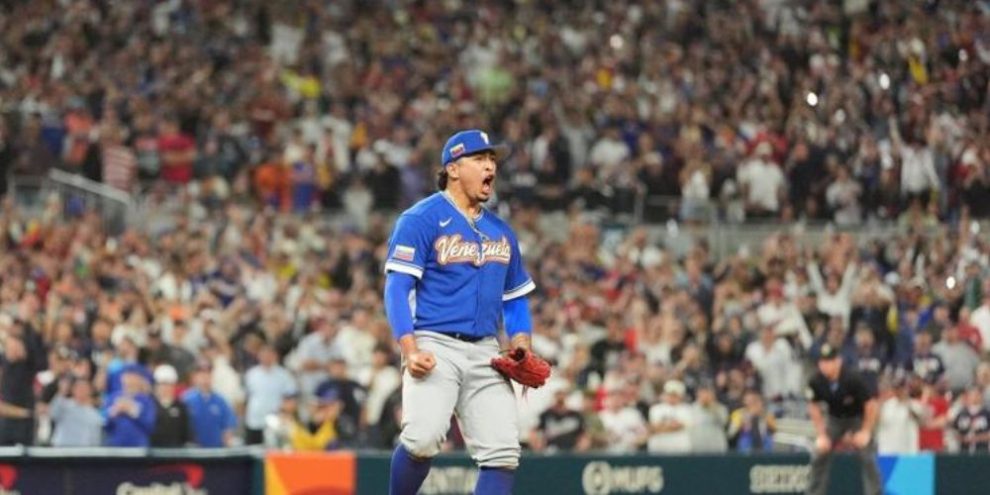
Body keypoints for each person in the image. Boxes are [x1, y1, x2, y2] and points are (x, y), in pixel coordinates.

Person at [384, 130, 536, 495]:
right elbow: (397, 288)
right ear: (453, 168)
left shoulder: (501, 231)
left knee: (503, 453)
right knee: (422, 440)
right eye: (480, 159)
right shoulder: (420, 218)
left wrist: (520, 341)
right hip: (435, 344)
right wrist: (409, 348)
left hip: (486, 350)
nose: (490, 167)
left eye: (493, 160)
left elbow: (514, 298)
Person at [805, 344, 880, 495]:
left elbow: (871, 405)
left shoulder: (852, 378)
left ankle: (875, 492)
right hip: (835, 419)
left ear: (838, 361)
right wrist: (821, 434)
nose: (825, 366)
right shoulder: (816, 380)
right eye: (822, 362)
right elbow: (813, 407)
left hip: (856, 418)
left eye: (829, 361)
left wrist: (865, 431)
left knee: (867, 454)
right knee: (819, 453)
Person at [244, 344, 297, 444]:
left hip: (275, 422)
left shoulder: (284, 375)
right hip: (254, 421)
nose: (266, 357)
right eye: (263, 354)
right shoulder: (251, 374)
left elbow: (290, 399)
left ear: (275, 356)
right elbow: (246, 397)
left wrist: (284, 415)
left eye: (269, 354)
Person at [183, 361, 238, 447]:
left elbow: (228, 426)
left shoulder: (220, 401)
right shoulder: (186, 399)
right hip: (194, 452)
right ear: (195, 377)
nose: (205, 377)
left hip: (216, 451)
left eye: (208, 374)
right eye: (201, 374)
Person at [104, 366, 157, 447]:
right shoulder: (113, 398)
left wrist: (132, 410)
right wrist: (115, 411)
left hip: (139, 448)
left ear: (139, 379)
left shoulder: (146, 401)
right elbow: (106, 426)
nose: (129, 379)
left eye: (133, 376)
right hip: (116, 447)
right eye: (127, 376)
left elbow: (150, 426)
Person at [150, 364, 193, 447]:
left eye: (168, 384)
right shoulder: (150, 405)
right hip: (154, 455)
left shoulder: (181, 407)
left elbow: (187, 432)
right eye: (162, 384)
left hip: (176, 454)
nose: (165, 388)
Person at [952, 386, 990, 454]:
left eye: (977, 395)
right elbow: (955, 432)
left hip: (982, 451)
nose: (974, 397)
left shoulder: (986, 413)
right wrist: (963, 439)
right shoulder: (962, 413)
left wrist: (977, 438)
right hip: (964, 451)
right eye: (972, 395)